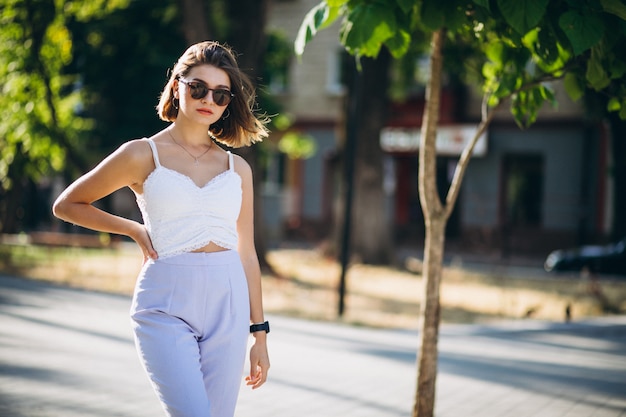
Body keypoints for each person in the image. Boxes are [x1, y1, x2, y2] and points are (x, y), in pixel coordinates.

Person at [53, 40, 270, 417]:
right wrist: (134, 230)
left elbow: (246, 252)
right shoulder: (141, 153)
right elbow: (68, 204)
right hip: (165, 302)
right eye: (198, 88)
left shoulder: (238, 169)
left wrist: (260, 334)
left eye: (221, 95)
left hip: (229, 303)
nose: (209, 100)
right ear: (176, 85)